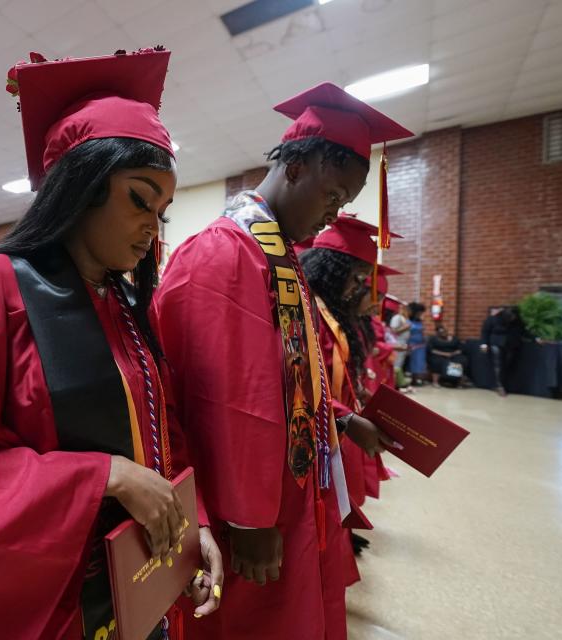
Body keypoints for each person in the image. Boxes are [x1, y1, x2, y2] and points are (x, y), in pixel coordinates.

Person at [0, 49, 222, 640]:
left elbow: (163, 431)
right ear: (79, 187)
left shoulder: (125, 306)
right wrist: (104, 476)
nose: (154, 226)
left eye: (163, 210)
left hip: (141, 581)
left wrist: (191, 523)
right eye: (139, 199)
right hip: (51, 603)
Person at [155, 82, 412, 640]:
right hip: (243, 512)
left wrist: (341, 419)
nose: (332, 214)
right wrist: (249, 519)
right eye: (333, 194)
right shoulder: (225, 252)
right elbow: (225, 399)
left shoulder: (279, 257)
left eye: (343, 204)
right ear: (301, 167)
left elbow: (298, 377)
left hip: (290, 491)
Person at [299, 217, 401, 561]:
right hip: (312, 432)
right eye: (359, 280)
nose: (363, 291)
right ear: (331, 270)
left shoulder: (339, 317)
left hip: (335, 426)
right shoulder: (306, 311)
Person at [481, 307, 521, 396]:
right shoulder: (493, 319)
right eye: (511, 317)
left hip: (510, 345)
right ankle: (500, 386)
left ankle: (501, 384)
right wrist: (484, 345)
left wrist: (536, 339)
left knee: (507, 365)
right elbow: (485, 332)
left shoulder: (516, 320)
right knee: (498, 364)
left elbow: (523, 331)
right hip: (496, 344)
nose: (512, 319)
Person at [407, 302, 428, 384]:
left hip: (421, 345)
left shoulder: (419, 321)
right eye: (420, 312)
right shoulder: (408, 321)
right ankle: (413, 380)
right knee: (413, 362)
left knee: (420, 362)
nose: (421, 314)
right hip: (412, 345)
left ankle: (417, 379)